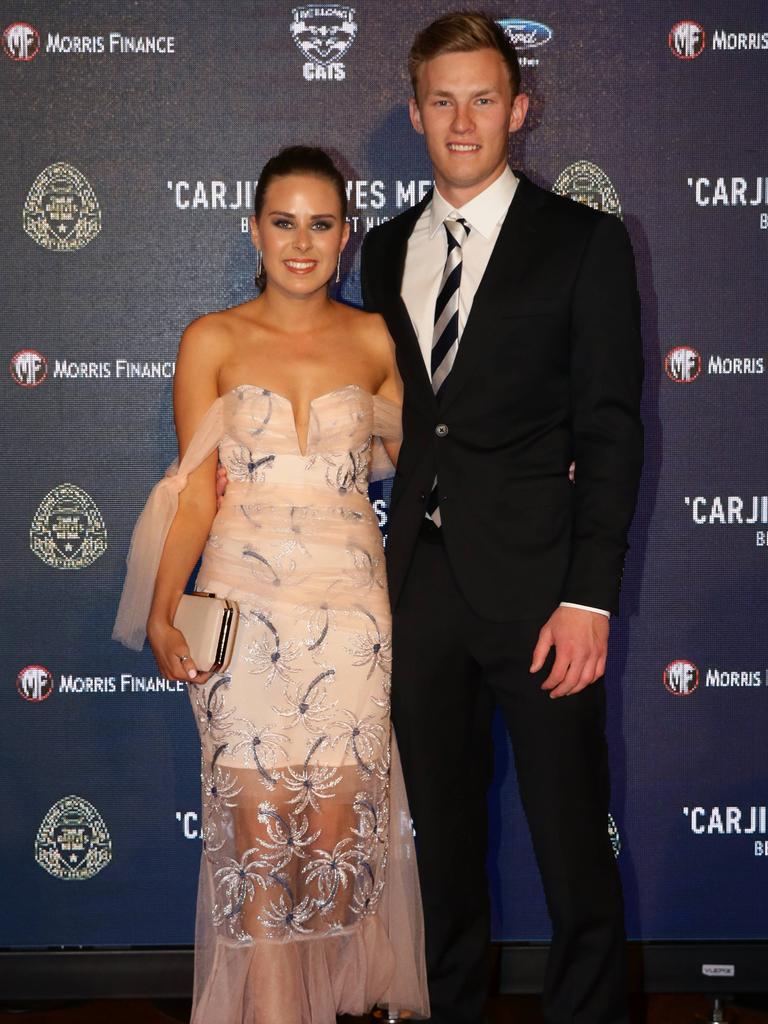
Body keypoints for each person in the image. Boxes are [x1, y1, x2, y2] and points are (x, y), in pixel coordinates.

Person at [360, 12, 644, 1024]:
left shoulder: (583, 242)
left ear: (519, 110)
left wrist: (588, 598)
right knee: (438, 850)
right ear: (416, 112)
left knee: (573, 849)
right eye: (444, 100)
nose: (464, 120)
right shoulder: (385, 248)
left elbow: (612, 431)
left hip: (541, 593)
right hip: (422, 589)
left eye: (484, 98)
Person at [113, 145, 429, 1024]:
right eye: (283, 222)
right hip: (243, 621)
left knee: (334, 835)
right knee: (254, 832)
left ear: (346, 235)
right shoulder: (210, 338)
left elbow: (427, 463)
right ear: (253, 229)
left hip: (352, 617)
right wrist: (163, 607)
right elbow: (193, 490)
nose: (301, 242)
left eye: (320, 224)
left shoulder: (375, 338)